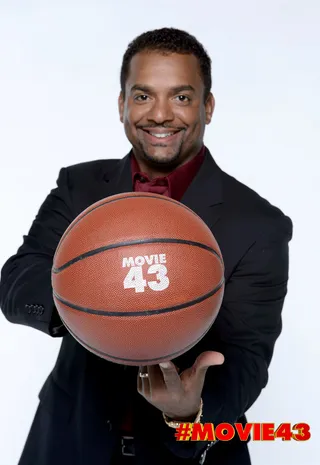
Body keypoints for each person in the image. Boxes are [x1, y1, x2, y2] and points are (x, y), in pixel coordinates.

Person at [0, 27, 293, 465]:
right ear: (121, 104)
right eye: (142, 96)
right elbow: (17, 282)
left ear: (207, 107)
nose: (160, 114)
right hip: (68, 442)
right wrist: (92, 304)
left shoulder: (258, 224)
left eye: (181, 97)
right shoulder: (79, 186)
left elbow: (247, 360)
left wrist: (188, 412)